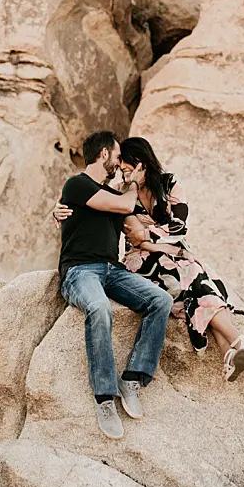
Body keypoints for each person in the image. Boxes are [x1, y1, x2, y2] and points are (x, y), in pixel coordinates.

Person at [54, 136, 244, 383]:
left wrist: (152, 235)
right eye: (119, 160)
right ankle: (238, 342)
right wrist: (162, 241)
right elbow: (137, 239)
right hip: (145, 261)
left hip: (176, 256)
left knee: (200, 282)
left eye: (127, 162)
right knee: (193, 276)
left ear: (142, 163)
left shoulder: (170, 185)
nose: (122, 167)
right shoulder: (125, 194)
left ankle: (230, 350)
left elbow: (180, 227)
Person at [57, 129, 176, 440]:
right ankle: (104, 398)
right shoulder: (77, 184)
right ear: (104, 155)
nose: (122, 163)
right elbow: (124, 206)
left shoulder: (110, 194)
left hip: (112, 270)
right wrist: (133, 185)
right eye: (119, 156)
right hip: (80, 271)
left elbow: (136, 224)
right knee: (98, 308)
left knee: (160, 301)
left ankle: (133, 378)